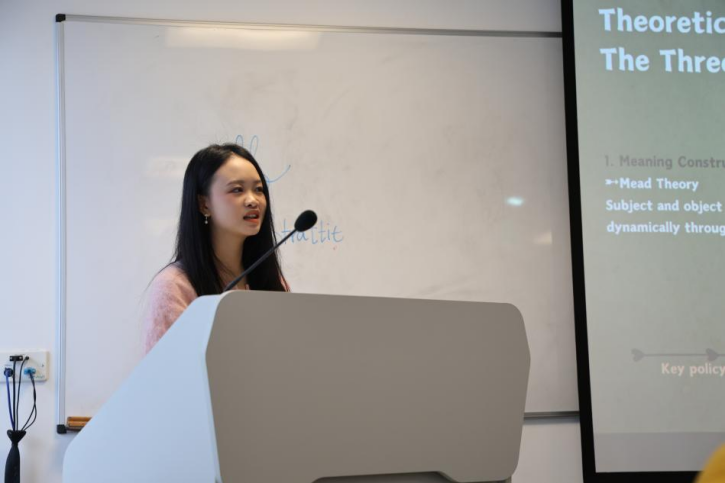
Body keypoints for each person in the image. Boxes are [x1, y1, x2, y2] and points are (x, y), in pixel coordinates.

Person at [142, 143, 288, 353]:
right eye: (237, 190)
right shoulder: (174, 286)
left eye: (258, 189)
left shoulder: (273, 281)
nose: (253, 200)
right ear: (204, 204)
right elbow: (165, 368)